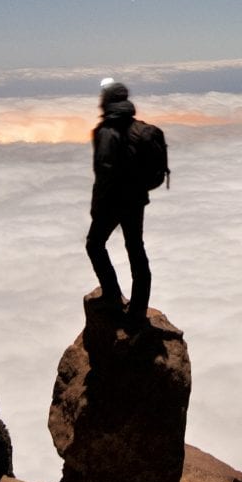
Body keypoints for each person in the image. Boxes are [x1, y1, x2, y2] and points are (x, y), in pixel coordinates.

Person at [85, 77, 160, 324]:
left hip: (113, 202)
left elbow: (104, 173)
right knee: (136, 250)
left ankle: (112, 295)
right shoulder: (138, 128)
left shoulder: (107, 132)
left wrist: (97, 208)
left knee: (94, 245)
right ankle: (138, 312)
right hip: (136, 200)